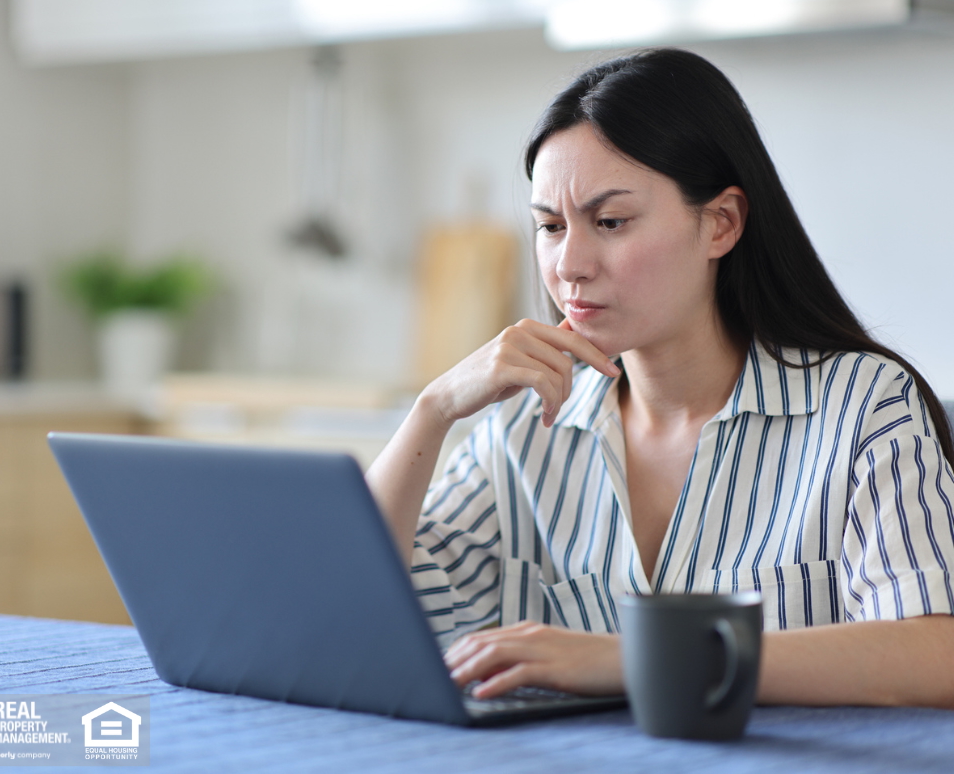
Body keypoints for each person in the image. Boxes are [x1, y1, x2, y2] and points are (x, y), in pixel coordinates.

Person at [365, 48, 954, 708]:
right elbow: (358, 608)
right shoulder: (522, 430)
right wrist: (434, 409)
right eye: (550, 227)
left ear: (721, 224)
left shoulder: (864, 406)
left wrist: (634, 660)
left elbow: (936, 655)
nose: (570, 266)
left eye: (610, 222)